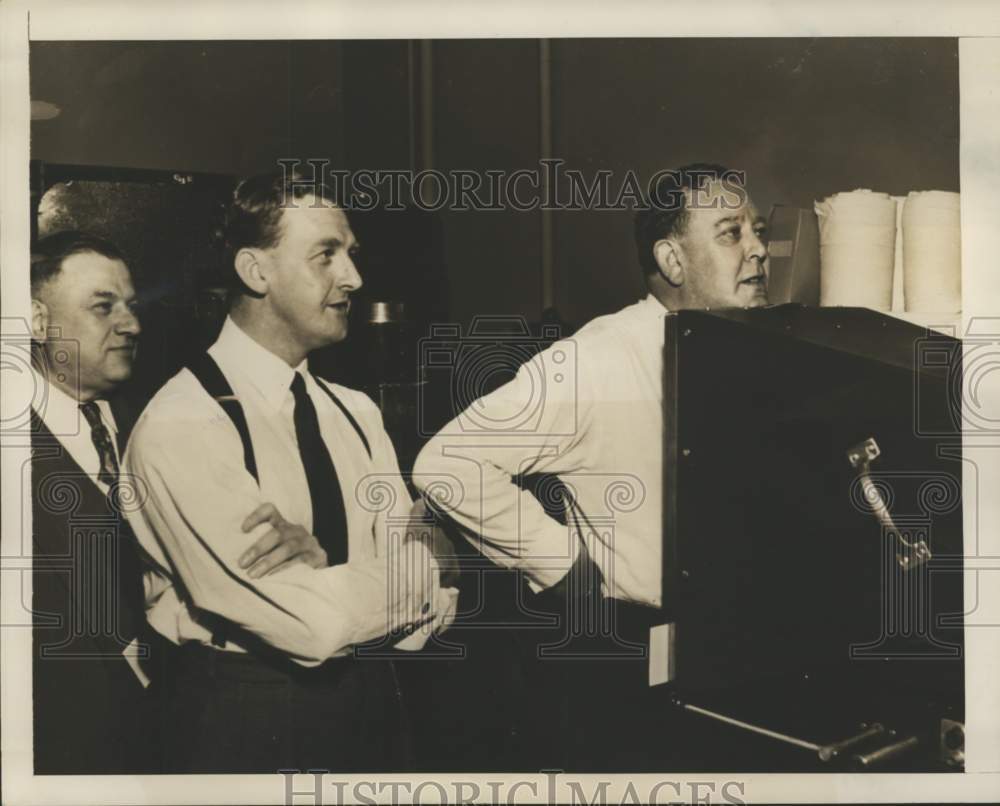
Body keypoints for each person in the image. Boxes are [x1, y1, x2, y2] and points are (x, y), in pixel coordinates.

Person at [412, 163, 770, 769]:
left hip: (734, 653)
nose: (760, 250)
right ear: (672, 260)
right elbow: (448, 461)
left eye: (757, 230)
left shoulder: (748, 352)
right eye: (731, 232)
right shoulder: (597, 358)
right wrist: (563, 567)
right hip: (632, 665)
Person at [123, 170, 458, 773]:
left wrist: (332, 569)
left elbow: (435, 603)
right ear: (256, 272)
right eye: (326, 255)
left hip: (375, 703)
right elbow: (311, 625)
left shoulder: (356, 413)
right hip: (247, 717)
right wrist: (415, 573)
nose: (353, 277)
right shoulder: (184, 425)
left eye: (351, 254)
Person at [28, 231, 163, 773]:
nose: (131, 325)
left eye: (131, 307)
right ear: (37, 323)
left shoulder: (151, 424)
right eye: (103, 307)